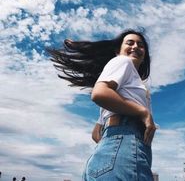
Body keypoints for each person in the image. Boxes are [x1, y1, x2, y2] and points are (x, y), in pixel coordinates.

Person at [48, 29, 156, 180]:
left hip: (107, 153)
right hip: (125, 147)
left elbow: (96, 133)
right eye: (130, 43)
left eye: (140, 45)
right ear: (118, 51)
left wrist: (112, 146)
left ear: (145, 55)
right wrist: (142, 113)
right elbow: (100, 93)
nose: (136, 47)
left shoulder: (127, 83)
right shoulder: (123, 61)